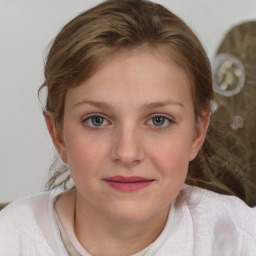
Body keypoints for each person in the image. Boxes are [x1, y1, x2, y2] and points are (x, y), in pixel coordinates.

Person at [0, 0, 255, 255]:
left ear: (197, 134)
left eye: (158, 120)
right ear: (58, 135)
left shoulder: (240, 235)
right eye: (97, 120)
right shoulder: (11, 239)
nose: (127, 153)